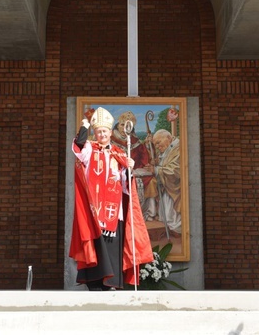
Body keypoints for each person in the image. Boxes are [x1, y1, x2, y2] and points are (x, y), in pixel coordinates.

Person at [69, 107, 153, 290]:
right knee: (97, 248)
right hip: (95, 209)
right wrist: (84, 126)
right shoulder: (90, 149)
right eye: (98, 131)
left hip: (114, 210)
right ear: (95, 133)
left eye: (104, 131)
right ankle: (95, 283)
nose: (102, 134)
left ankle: (112, 283)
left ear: (109, 132)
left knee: (113, 248)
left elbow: (125, 184)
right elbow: (78, 147)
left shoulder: (119, 153)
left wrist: (128, 169)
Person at [151, 129, 182, 235]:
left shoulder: (179, 148)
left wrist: (156, 170)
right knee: (165, 213)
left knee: (171, 216)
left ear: (168, 138)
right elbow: (164, 164)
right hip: (167, 187)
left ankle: (177, 230)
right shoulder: (168, 148)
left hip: (175, 188)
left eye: (158, 143)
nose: (158, 147)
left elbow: (175, 170)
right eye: (155, 145)